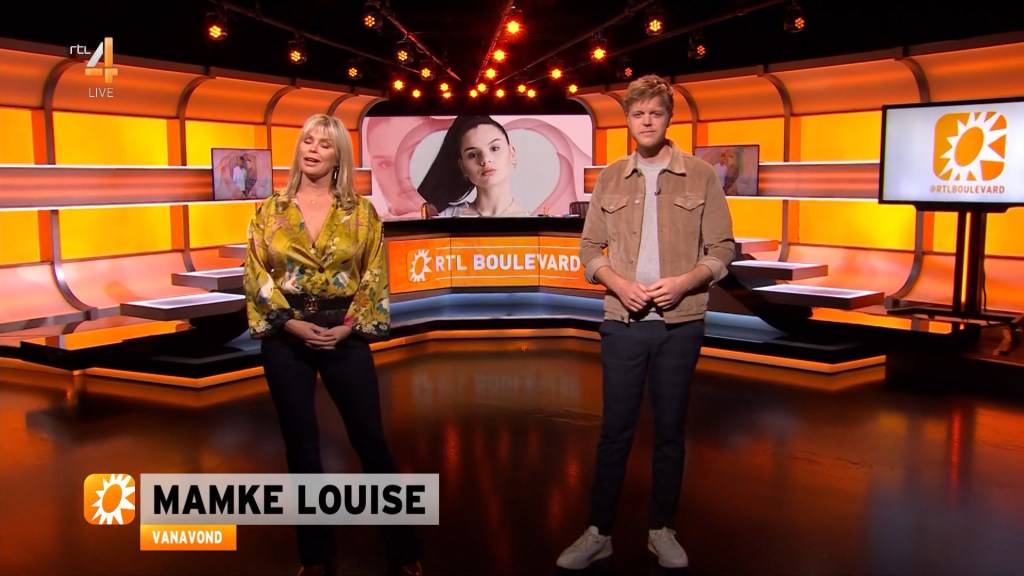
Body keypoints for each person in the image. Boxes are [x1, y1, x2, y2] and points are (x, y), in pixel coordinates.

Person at [556, 75, 735, 570]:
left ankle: (662, 530)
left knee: (671, 431)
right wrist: (617, 282)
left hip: (681, 323)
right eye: (638, 114)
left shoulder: (701, 175)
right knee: (615, 431)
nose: (647, 121)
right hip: (623, 322)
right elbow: (589, 249)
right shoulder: (611, 178)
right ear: (629, 121)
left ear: (669, 117)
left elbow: (723, 249)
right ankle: (599, 532)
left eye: (656, 113)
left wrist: (685, 282)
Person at [243, 114, 422, 576]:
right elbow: (256, 275)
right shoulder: (270, 211)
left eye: (324, 144)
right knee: (301, 446)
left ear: (339, 154)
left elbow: (375, 274)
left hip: (345, 333)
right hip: (287, 338)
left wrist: (348, 327)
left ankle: (403, 549)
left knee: (371, 440)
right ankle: (316, 555)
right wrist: (290, 324)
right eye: (307, 141)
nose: (313, 149)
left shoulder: (361, 213)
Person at [417, 115, 530, 217]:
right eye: (472, 155)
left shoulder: (532, 224)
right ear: (462, 167)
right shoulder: (444, 217)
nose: (485, 160)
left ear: (512, 154)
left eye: (494, 148)